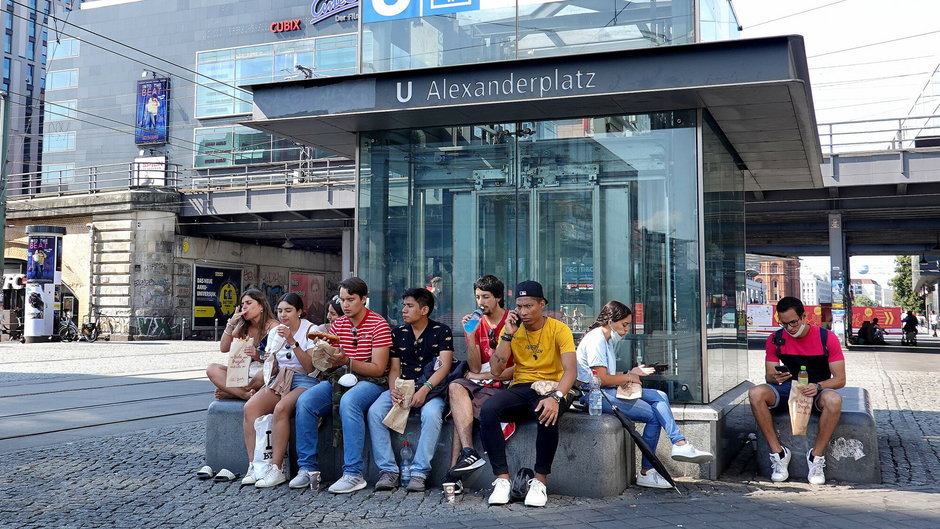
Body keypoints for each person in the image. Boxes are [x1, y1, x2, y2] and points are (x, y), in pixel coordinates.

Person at [575, 301, 713, 489]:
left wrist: (631, 373)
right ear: (609, 321)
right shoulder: (596, 339)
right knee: (653, 416)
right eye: (624, 324)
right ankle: (648, 471)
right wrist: (629, 376)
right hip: (594, 395)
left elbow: (604, 376)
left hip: (604, 391)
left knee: (659, 395)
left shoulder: (604, 339)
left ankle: (679, 443)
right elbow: (602, 379)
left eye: (628, 325)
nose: (626, 330)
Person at [290, 277, 392, 494]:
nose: (345, 305)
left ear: (364, 299)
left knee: (350, 402)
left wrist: (347, 361)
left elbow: (378, 369)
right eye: (342, 299)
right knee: (306, 401)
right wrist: (324, 356)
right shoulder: (338, 325)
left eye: (351, 299)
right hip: (340, 377)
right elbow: (330, 364)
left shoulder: (379, 324)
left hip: (372, 382)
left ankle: (354, 473)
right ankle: (307, 468)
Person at [481, 280, 577, 507]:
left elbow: (571, 371)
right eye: (519, 306)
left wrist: (556, 398)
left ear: (542, 304)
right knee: (488, 410)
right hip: (523, 386)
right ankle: (502, 480)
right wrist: (507, 335)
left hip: (554, 386)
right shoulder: (512, 329)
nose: (523, 312)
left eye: (529, 306)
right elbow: (495, 371)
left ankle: (540, 481)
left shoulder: (559, 329)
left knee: (547, 412)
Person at [748, 296, 845, 485]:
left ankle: (815, 457)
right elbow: (769, 375)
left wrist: (818, 386)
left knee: (834, 400)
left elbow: (840, 380)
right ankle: (779, 453)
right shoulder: (776, 339)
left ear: (804, 317)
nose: (790, 328)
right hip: (787, 388)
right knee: (755, 393)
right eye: (785, 324)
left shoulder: (826, 338)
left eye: (793, 322)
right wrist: (775, 377)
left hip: (817, 389)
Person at [368, 288, 454, 492]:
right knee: (375, 412)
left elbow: (445, 366)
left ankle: (419, 473)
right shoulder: (398, 333)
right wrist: (393, 390)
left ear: (424, 310)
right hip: (403, 386)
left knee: (433, 414)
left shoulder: (441, 331)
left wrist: (425, 390)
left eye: (409, 306)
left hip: (432, 389)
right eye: (403, 305)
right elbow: (395, 368)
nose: (403, 310)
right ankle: (388, 470)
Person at [241, 293, 317, 487]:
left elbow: (310, 367)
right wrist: (265, 358)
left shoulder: (310, 329)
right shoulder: (275, 332)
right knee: (250, 408)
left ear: (299, 312)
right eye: (280, 311)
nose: (283, 315)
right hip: (281, 379)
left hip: (304, 381)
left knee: (281, 409)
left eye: (288, 311)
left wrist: (292, 341)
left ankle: (276, 469)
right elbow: (272, 365)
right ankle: (255, 466)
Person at [447, 275, 513, 485]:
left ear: (498, 297)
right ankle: (468, 451)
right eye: (477, 297)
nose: (481, 302)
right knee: (456, 387)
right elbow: (474, 366)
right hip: (482, 383)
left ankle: (453, 474)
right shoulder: (476, 322)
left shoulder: (511, 322)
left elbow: (519, 368)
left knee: (460, 415)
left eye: (486, 297)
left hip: (505, 384)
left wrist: (481, 376)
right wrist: (470, 336)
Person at [207, 289, 278, 400]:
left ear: (261, 306)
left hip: (266, 371)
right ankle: (243, 394)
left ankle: (233, 393)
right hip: (244, 371)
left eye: (249, 303)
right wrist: (231, 324)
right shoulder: (243, 327)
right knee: (212, 369)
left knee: (262, 374)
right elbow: (224, 348)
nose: (244, 307)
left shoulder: (274, 327)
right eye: (242, 304)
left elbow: (277, 360)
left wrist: (257, 355)